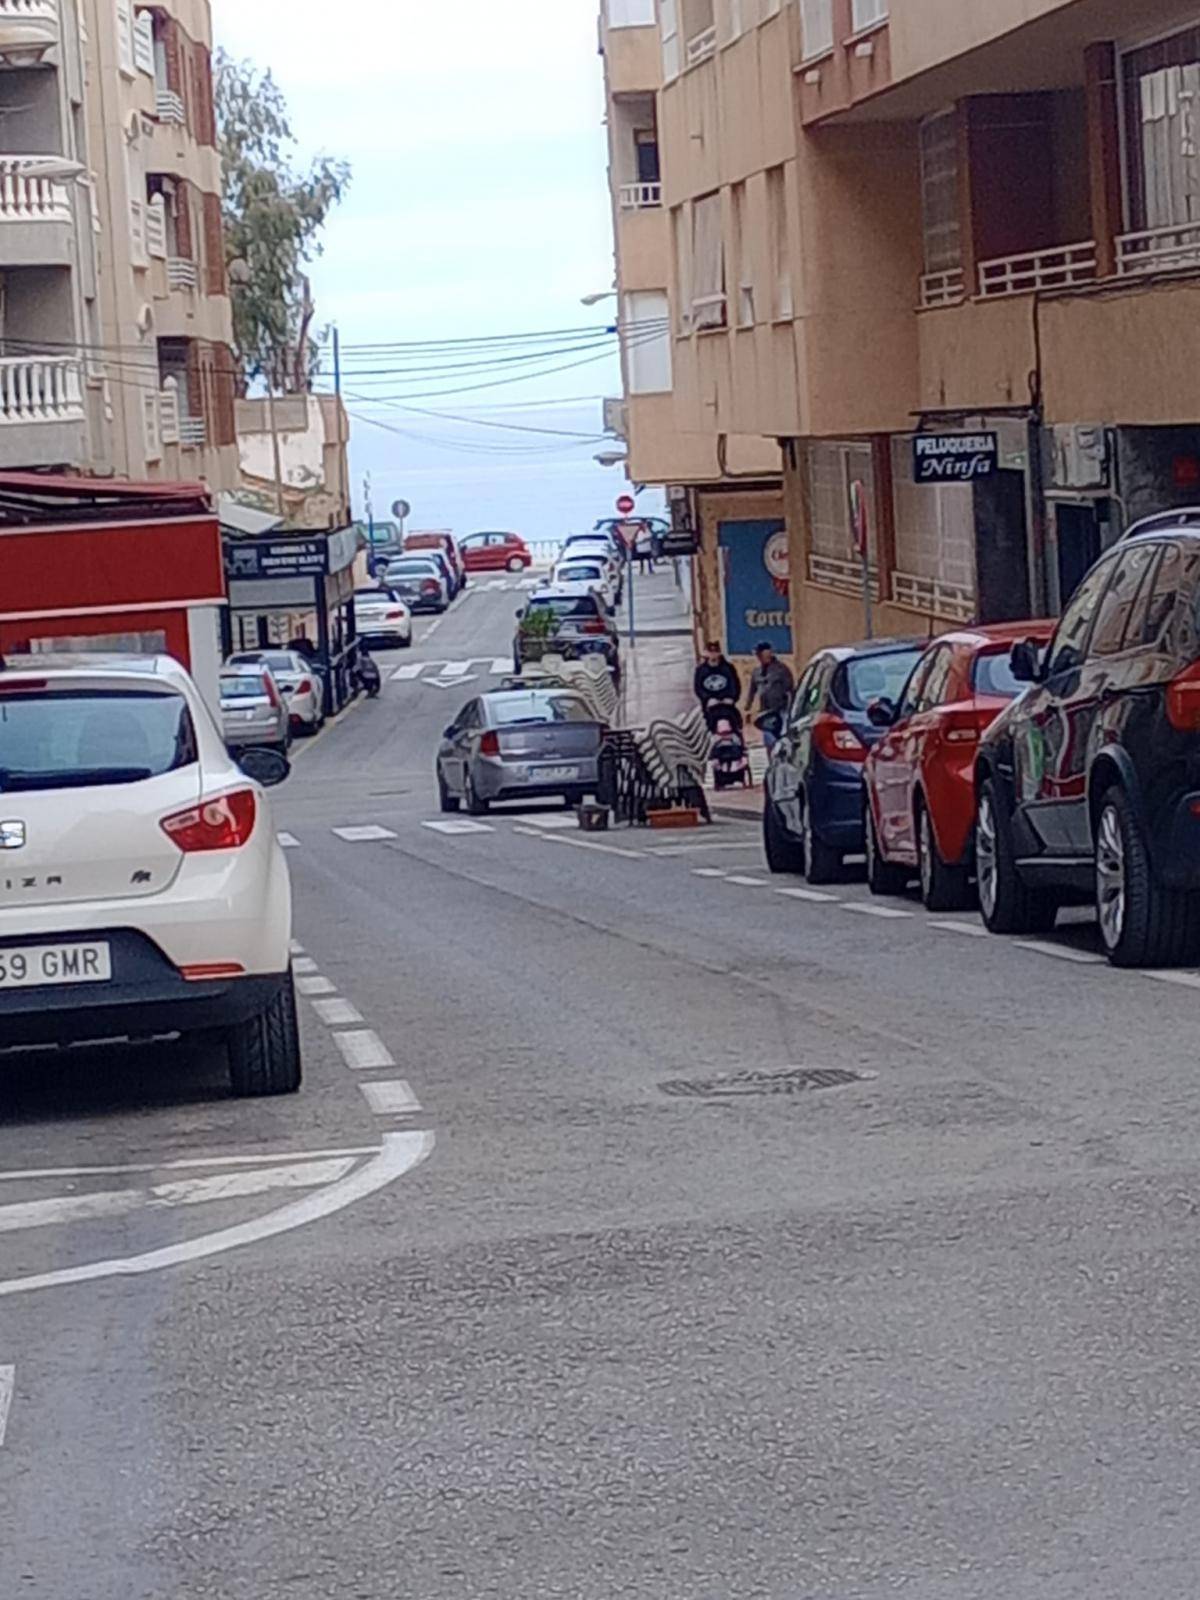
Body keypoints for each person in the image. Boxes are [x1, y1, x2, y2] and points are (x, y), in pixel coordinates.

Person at [744, 641, 795, 752]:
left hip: (781, 709)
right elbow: (752, 690)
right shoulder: (756, 672)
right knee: (768, 738)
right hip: (765, 711)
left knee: (782, 736)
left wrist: (791, 708)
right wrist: (748, 706)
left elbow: (790, 689)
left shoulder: (782, 669)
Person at [693, 641, 742, 730]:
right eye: (710, 652)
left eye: (715, 651)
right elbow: (698, 688)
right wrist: (708, 699)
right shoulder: (701, 670)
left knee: (735, 724)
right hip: (710, 708)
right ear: (706, 653)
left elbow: (735, 685)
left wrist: (731, 697)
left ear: (719, 653)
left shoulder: (728, 668)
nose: (713, 654)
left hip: (727, 706)